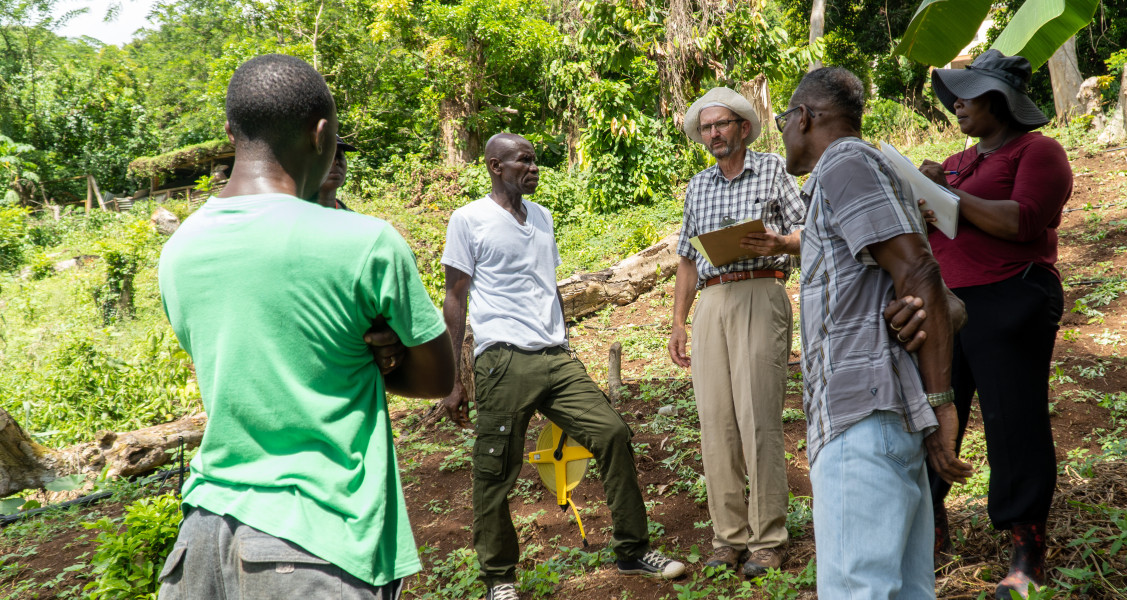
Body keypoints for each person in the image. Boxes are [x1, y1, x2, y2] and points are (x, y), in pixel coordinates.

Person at [156, 54, 456, 598]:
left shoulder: (179, 251)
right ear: (321, 135)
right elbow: (439, 378)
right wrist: (379, 357)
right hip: (316, 541)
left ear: (231, 132)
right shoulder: (364, 242)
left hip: (200, 540)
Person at [436, 132, 686, 600]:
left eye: (535, 160)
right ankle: (499, 579)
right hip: (503, 360)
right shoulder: (469, 219)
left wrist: (566, 343)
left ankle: (632, 550)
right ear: (495, 166)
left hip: (555, 357)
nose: (533, 168)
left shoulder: (543, 217)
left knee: (612, 433)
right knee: (495, 470)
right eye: (523, 161)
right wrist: (453, 379)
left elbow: (546, 286)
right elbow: (455, 297)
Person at [779, 66, 973, 599]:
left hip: (861, 422)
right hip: (884, 416)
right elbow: (939, 299)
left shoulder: (845, 163)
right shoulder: (869, 172)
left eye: (783, 120)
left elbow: (920, 272)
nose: (783, 133)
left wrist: (943, 403)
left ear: (803, 117)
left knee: (856, 589)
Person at [918, 50, 1072, 600]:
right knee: (932, 412)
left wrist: (947, 194)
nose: (956, 105)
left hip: (1012, 296)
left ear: (1000, 101)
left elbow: (1023, 220)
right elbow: (936, 230)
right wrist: (924, 193)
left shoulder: (1038, 151)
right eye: (955, 96)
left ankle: (1027, 550)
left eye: (968, 96)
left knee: (1014, 420)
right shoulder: (957, 161)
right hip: (946, 303)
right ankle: (931, 525)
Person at [667, 87, 805, 577]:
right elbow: (688, 258)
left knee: (758, 418)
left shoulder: (773, 169)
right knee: (716, 422)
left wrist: (779, 242)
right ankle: (728, 538)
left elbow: (810, 230)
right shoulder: (698, 185)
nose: (714, 134)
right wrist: (678, 322)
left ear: (743, 127)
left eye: (722, 124)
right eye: (706, 128)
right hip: (712, 301)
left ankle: (768, 539)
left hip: (760, 291)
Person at [317, 136, 357, 209]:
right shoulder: (295, 212)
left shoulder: (350, 215)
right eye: (327, 156)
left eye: (339, 156)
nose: (335, 162)